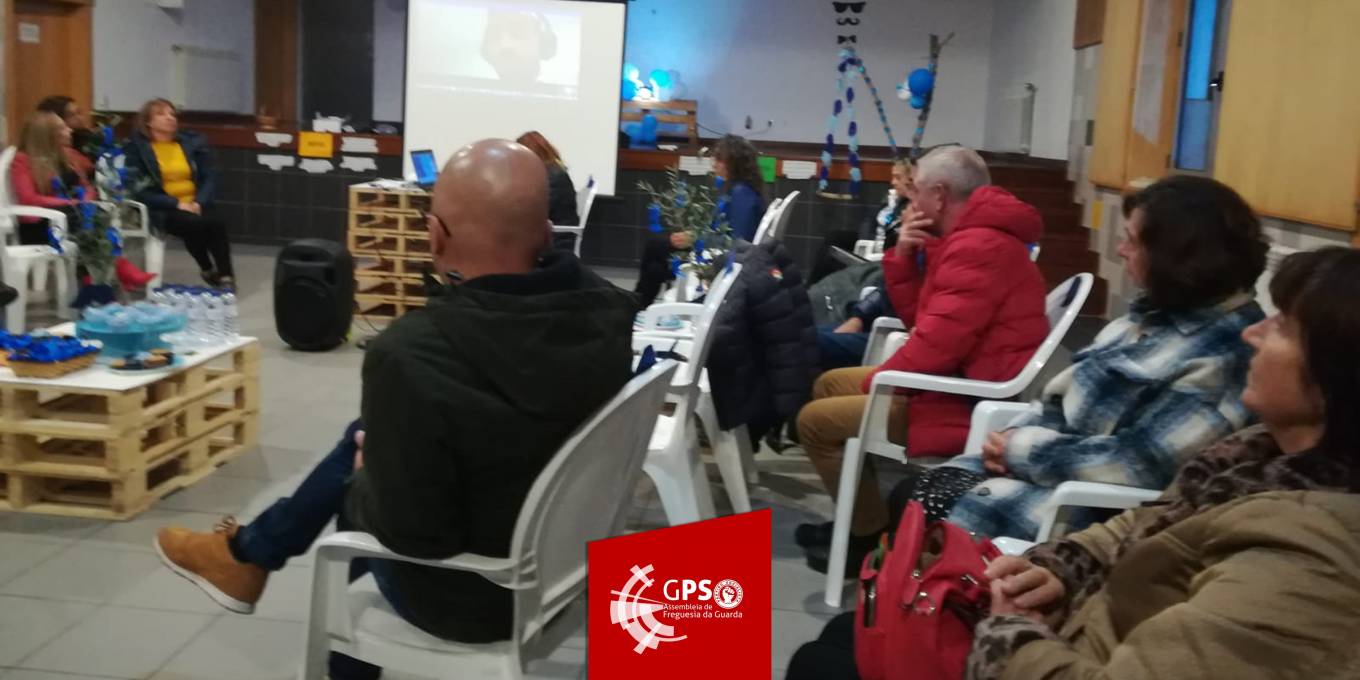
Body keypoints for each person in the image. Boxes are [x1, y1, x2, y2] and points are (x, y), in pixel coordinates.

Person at [153, 140, 636, 680]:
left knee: (357, 490)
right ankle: (247, 554)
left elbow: (415, 537)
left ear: (434, 236)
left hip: (473, 600)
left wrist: (368, 479)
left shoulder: (414, 353)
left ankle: (254, 560)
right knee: (371, 434)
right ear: (546, 233)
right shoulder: (607, 312)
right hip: (570, 571)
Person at [787, 246, 1360, 680]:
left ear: (1336, 374)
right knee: (851, 631)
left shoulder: (1309, 563)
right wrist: (1061, 567)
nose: (1255, 333)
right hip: (1080, 608)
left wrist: (1010, 630)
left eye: (1282, 327)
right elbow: (1148, 523)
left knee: (830, 656)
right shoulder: (1256, 457)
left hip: (1060, 632)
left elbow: (1136, 467)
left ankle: (864, 547)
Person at [883, 175, 1268, 542]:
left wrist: (1020, 449)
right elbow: (1058, 399)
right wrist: (1010, 442)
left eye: (1132, 241)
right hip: (1040, 467)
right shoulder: (1154, 315)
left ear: (1177, 257)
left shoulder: (1227, 353)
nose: (1120, 250)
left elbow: (1138, 464)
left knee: (913, 507)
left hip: (1080, 510)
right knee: (911, 501)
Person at [795, 146, 1049, 574]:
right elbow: (924, 322)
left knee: (814, 423)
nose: (908, 200)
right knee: (828, 384)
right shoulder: (968, 238)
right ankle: (859, 521)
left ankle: (865, 538)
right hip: (951, 381)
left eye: (914, 191)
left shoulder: (979, 246)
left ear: (940, 194)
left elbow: (934, 347)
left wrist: (879, 384)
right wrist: (905, 259)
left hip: (963, 401)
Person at [9, 111, 155, 290]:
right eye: (63, 128)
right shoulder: (22, 160)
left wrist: (85, 199)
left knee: (94, 216)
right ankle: (113, 270)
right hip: (40, 225)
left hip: (70, 217)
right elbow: (29, 198)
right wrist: (71, 203)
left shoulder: (66, 156)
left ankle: (95, 277)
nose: (70, 130)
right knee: (81, 218)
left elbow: (86, 186)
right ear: (48, 134)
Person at [633, 134, 767, 309]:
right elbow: (721, 228)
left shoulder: (742, 194)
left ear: (735, 162)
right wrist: (695, 234)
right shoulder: (737, 188)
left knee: (654, 248)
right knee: (655, 267)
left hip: (719, 255)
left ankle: (637, 305)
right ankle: (639, 305)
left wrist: (696, 239)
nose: (714, 164)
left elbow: (737, 241)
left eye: (719, 159)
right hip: (712, 248)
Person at [124, 98, 235, 287]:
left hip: (194, 202)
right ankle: (207, 268)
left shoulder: (191, 143)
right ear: (148, 122)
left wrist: (198, 202)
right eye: (161, 114)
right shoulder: (137, 150)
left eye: (172, 114)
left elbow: (209, 176)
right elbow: (138, 190)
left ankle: (226, 276)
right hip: (163, 207)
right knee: (193, 223)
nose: (170, 118)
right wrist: (176, 204)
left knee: (216, 222)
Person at [808, 156, 914, 284]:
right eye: (893, 177)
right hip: (871, 241)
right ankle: (812, 285)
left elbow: (894, 236)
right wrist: (865, 240)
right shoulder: (892, 198)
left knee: (833, 257)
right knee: (834, 238)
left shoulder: (911, 206)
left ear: (911, 180)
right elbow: (869, 220)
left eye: (898, 178)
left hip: (883, 249)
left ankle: (823, 287)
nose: (893, 182)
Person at [515, 130, 579, 252]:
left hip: (555, 239)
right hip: (555, 235)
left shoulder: (551, 177)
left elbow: (535, 211)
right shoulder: (553, 171)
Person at [35, 95, 100, 162]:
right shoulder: (54, 153)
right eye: (71, 115)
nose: (79, 118)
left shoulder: (85, 137)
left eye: (79, 112)